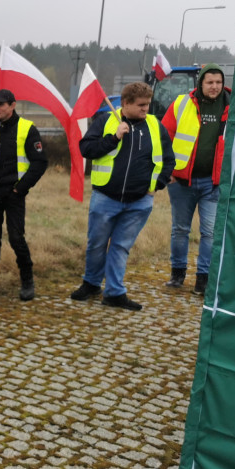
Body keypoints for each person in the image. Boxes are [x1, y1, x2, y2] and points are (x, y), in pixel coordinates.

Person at [71, 81, 175, 311]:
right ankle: (91, 283)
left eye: (148, 104)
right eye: (140, 105)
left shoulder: (156, 127)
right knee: (96, 244)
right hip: (105, 198)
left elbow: (169, 160)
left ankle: (114, 293)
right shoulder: (105, 121)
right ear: (125, 104)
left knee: (120, 247)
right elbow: (86, 149)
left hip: (139, 202)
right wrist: (114, 138)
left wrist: (157, 184)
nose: (145, 109)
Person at [0, 88, 47, 300]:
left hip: (14, 193)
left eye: (0, 105)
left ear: (12, 105)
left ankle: (27, 280)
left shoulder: (27, 128)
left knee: (15, 237)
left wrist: (19, 189)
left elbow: (40, 163)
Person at [161, 64, 229, 295]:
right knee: (180, 229)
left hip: (213, 183)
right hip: (181, 182)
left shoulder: (233, 105)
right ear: (200, 83)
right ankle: (177, 274)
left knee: (209, 232)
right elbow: (164, 136)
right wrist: (166, 170)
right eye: (209, 82)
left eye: (218, 82)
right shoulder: (182, 104)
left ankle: (202, 279)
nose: (214, 86)